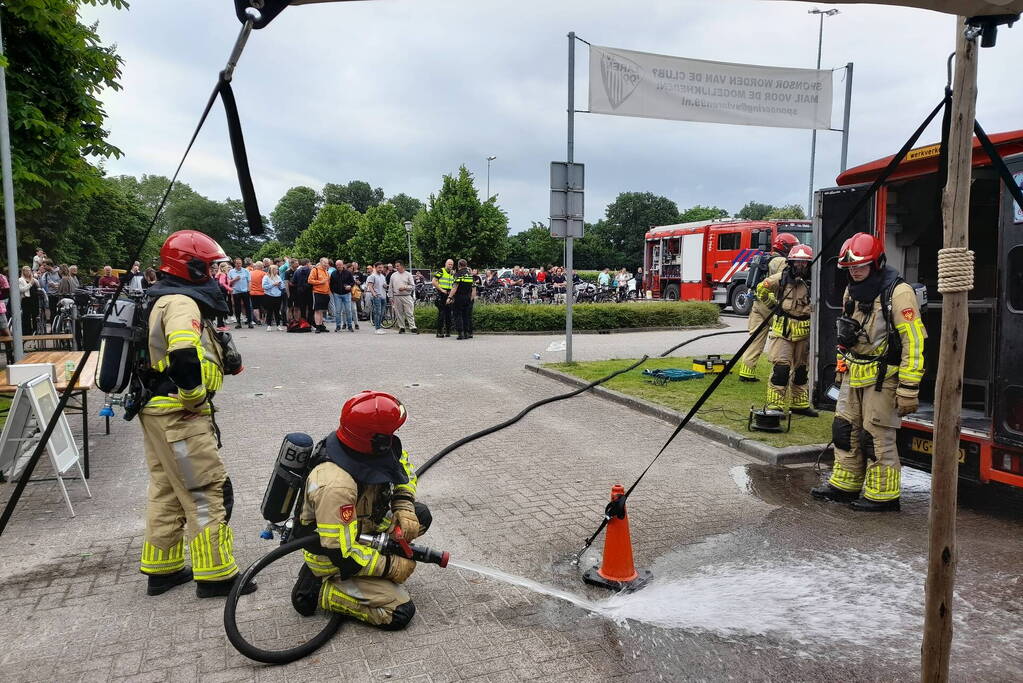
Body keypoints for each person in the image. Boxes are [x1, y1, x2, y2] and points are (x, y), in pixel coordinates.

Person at [138, 230, 255, 599]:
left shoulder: (159, 298)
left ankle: (162, 569)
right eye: (210, 267)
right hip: (179, 414)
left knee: (166, 490)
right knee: (204, 489)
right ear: (191, 267)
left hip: (155, 410)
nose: (215, 275)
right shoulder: (181, 304)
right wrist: (193, 397)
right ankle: (216, 575)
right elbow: (184, 355)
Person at [290, 391, 430, 629]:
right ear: (374, 439)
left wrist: (404, 506)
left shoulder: (368, 447)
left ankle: (364, 577)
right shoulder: (336, 486)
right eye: (390, 433)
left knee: (421, 515)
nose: (394, 437)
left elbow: (402, 468)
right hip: (333, 556)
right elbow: (341, 554)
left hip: (360, 529)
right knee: (399, 613)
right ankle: (322, 588)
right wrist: (390, 566)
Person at [811, 233, 925, 512]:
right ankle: (845, 484)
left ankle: (882, 495)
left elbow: (914, 340)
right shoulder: (851, 290)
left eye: (860, 266)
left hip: (883, 376)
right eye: (850, 268)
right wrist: (841, 367)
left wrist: (909, 387)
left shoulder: (899, 293)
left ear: (876, 263)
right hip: (854, 371)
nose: (855, 271)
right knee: (844, 428)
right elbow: (847, 333)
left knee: (876, 436)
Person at [755, 244, 817, 418]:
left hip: (804, 333)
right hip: (783, 332)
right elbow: (761, 289)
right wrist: (772, 305)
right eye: (797, 262)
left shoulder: (816, 282)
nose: (800, 266)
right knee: (781, 370)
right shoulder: (781, 278)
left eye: (804, 263)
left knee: (801, 371)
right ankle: (775, 406)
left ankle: (800, 404)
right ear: (791, 262)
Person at [737, 233, 800, 382]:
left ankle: (746, 373)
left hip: (757, 303)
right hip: (771, 304)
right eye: (792, 247)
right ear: (785, 247)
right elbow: (784, 281)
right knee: (786, 336)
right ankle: (787, 371)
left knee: (755, 339)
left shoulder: (763, 258)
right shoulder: (782, 262)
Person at [447, 258, 476, 340]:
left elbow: (455, 287)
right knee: (466, 315)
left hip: (459, 297)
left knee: (458, 315)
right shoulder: (470, 275)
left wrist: (450, 297)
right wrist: (471, 298)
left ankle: (461, 333)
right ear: (466, 265)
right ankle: (466, 333)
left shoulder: (458, 274)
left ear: (459, 265)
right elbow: (474, 289)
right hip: (467, 297)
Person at [389, 261, 417, 334]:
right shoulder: (393, 275)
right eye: (396, 266)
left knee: (409, 312)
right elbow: (390, 287)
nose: (396, 267)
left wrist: (405, 287)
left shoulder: (408, 275)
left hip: (406, 296)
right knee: (399, 313)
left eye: (398, 266)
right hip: (396, 296)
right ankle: (401, 327)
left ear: (402, 266)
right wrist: (391, 297)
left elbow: (413, 286)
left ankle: (413, 327)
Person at [228, 258, 254, 329]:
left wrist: (249, 289)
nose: (238, 265)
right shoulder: (231, 271)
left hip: (245, 291)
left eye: (240, 263)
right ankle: (238, 322)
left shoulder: (246, 271)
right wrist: (234, 279)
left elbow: (249, 281)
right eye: (237, 263)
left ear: (242, 263)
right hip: (236, 292)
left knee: (248, 307)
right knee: (237, 307)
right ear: (234, 264)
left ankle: (249, 322)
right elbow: (228, 282)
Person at [307, 257, 332, 333]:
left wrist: (329, 292)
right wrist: (320, 282)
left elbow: (328, 283)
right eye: (325, 263)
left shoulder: (326, 271)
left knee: (322, 310)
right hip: (317, 292)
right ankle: (317, 326)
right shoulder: (315, 270)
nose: (326, 264)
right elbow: (310, 280)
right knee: (317, 310)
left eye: (327, 263)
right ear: (321, 262)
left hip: (326, 293)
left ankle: (321, 326)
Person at [432, 259, 455, 338]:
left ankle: (448, 331)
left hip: (449, 295)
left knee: (449, 314)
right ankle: (439, 332)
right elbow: (434, 281)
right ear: (445, 264)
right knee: (441, 313)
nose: (450, 266)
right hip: (442, 294)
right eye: (449, 264)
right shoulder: (441, 271)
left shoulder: (452, 273)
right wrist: (441, 289)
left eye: (451, 264)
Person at [329, 259, 354, 332]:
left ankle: (350, 326)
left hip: (346, 294)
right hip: (337, 294)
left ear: (343, 265)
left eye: (340, 265)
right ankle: (338, 326)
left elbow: (352, 282)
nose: (338, 266)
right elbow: (331, 284)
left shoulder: (348, 273)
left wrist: (350, 286)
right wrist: (333, 291)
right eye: (337, 265)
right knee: (337, 311)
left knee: (348, 310)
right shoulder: (333, 273)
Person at [365, 263, 389, 334]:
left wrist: (386, 286)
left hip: (383, 296)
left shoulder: (382, 276)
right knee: (377, 312)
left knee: (382, 313)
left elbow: (384, 285)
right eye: (379, 268)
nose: (381, 269)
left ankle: (379, 327)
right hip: (377, 296)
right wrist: (374, 294)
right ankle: (377, 328)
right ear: (375, 268)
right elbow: (370, 286)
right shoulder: (372, 276)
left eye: (381, 268)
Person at [261, 265, 285, 331]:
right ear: (272, 270)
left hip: (277, 295)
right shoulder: (266, 277)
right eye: (276, 269)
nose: (277, 271)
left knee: (277, 311)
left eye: (277, 269)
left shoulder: (278, 277)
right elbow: (264, 286)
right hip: (269, 295)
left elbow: (282, 287)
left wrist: (280, 285)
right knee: (269, 311)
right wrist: (273, 284)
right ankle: (269, 325)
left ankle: (278, 325)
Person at [18, 266, 40, 335]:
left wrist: (35, 281)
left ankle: (35, 330)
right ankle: (27, 332)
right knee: (26, 316)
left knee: (35, 315)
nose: (28, 272)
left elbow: (38, 286)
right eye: (26, 271)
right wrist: (30, 284)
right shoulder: (20, 280)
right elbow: (21, 290)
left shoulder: (33, 279)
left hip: (34, 299)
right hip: (26, 299)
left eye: (29, 270)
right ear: (23, 271)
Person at [214, 262, 233, 330]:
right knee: (222, 308)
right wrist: (229, 289)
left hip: (221, 293)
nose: (228, 268)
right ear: (223, 268)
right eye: (227, 266)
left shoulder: (219, 274)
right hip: (222, 293)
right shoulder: (223, 274)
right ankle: (220, 325)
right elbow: (222, 283)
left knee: (221, 308)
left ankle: (221, 324)